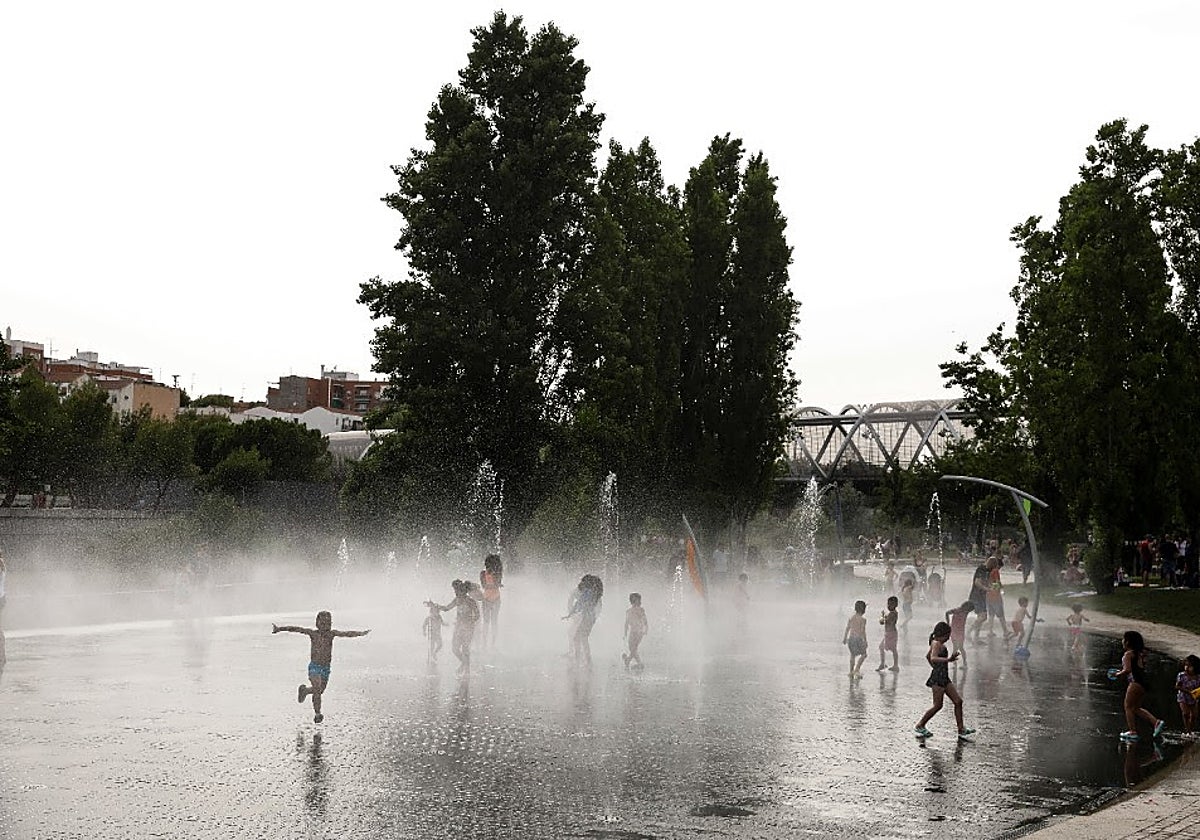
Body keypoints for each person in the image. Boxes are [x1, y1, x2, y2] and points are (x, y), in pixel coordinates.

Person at [271, 611, 370, 723]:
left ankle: (304, 691)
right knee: (317, 688)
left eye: (328, 623)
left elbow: (346, 633)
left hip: (326, 668)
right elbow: (296, 629)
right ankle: (317, 713)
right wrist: (280, 629)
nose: (325, 626)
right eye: (322, 623)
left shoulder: (331, 634)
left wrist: (360, 633)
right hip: (314, 667)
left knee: (320, 691)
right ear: (317, 623)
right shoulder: (313, 634)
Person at [914, 621, 975, 739]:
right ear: (942, 634)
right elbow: (933, 657)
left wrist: (936, 667)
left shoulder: (935, 642)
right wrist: (948, 660)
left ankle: (961, 729)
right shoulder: (936, 643)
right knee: (938, 705)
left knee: (958, 701)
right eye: (947, 635)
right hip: (938, 678)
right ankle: (920, 725)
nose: (948, 638)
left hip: (944, 677)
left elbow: (928, 656)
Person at [1108, 630, 1165, 742]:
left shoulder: (1127, 655)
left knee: (1128, 706)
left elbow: (1127, 670)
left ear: (1128, 642)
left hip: (1135, 683)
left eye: (1124, 639)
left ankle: (1132, 731)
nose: (1122, 641)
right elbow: (1137, 668)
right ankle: (1156, 722)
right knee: (1136, 708)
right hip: (1143, 683)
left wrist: (1117, 674)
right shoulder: (1140, 653)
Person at [432, 579, 480, 675]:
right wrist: (435, 605)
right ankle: (464, 664)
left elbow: (477, 615)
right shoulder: (457, 600)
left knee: (465, 648)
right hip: (458, 627)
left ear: (462, 591)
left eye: (456, 591)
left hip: (468, 627)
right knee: (455, 649)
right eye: (454, 591)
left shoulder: (470, 601)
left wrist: (470, 621)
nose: (455, 593)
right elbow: (446, 608)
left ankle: (467, 670)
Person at [564, 574, 603, 667]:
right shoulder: (594, 592)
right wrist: (570, 614)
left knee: (577, 638)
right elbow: (582, 604)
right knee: (582, 638)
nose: (581, 583)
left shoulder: (587, 592)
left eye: (583, 581)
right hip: (590, 618)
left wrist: (570, 614)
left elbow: (579, 603)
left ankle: (579, 661)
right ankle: (587, 660)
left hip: (587, 618)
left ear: (586, 583)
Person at [479, 553, 503, 648]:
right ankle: (484, 643)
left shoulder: (497, 574)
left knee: (494, 621)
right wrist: (496, 585)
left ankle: (493, 643)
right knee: (486, 622)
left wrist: (496, 584)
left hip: (496, 599)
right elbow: (484, 585)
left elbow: (497, 583)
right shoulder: (483, 573)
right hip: (486, 599)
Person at [944, 601, 975, 667]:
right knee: (959, 647)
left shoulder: (959, 611)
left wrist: (948, 623)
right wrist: (948, 623)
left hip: (956, 631)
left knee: (958, 647)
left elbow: (947, 613)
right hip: (957, 632)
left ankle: (958, 663)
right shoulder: (961, 611)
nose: (969, 611)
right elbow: (947, 613)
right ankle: (962, 663)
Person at [843, 600, 868, 678]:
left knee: (852, 655)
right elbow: (862, 631)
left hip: (851, 639)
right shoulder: (863, 619)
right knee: (864, 654)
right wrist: (865, 640)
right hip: (858, 639)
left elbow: (847, 628)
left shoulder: (851, 618)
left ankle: (851, 671)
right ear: (863, 610)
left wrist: (845, 638)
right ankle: (857, 669)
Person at [1176, 654, 1200, 736]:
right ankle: (1187, 730)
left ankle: (1191, 729)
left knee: (1193, 715)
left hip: (1194, 697)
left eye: (1189, 666)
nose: (1186, 667)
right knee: (1185, 713)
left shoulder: (1198, 677)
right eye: (1185, 665)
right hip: (1183, 696)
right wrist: (1187, 691)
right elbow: (1177, 686)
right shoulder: (1181, 675)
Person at [623, 592, 648, 669]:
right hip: (633, 632)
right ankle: (628, 660)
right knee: (633, 648)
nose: (638, 601)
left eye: (638, 599)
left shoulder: (640, 610)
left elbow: (645, 621)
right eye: (635, 600)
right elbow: (626, 623)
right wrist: (625, 633)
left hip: (638, 632)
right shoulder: (629, 611)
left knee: (632, 648)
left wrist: (646, 629)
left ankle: (639, 663)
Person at [968, 557, 990, 641]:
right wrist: (986, 589)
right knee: (983, 616)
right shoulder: (982, 569)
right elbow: (977, 582)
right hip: (976, 596)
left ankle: (976, 636)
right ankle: (969, 632)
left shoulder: (987, 570)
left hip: (981, 596)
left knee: (980, 616)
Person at [876, 596, 899, 672]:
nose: (888, 606)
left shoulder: (893, 614)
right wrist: (884, 617)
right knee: (886, 648)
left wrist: (882, 616)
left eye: (890, 604)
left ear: (895, 605)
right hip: (890, 634)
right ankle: (889, 664)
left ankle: (891, 665)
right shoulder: (893, 613)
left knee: (891, 649)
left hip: (891, 634)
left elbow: (883, 622)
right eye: (888, 604)